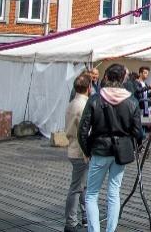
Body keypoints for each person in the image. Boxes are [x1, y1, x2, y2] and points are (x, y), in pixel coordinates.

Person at [78, 63, 142, 232]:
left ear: (106, 77)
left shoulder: (95, 99)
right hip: (120, 152)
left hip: (99, 150)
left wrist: (87, 151)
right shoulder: (132, 101)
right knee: (114, 193)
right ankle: (111, 230)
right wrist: (136, 147)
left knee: (92, 194)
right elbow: (138, 132)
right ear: (123, 79)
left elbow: (82, 130)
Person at [64, 73, 91, 232]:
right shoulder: (84, 105)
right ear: (88, 88)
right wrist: (87, 152)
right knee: (77, 188)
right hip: (81, 151)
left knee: (82, 186)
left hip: (73, 147)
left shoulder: (72, 103)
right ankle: (71, 223)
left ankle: (84, 216)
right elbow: (85, 132)